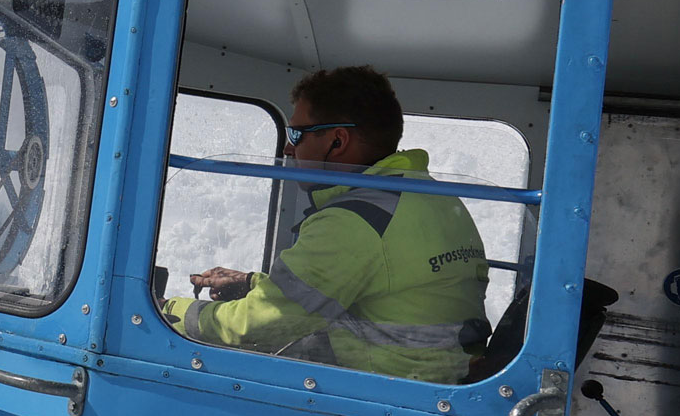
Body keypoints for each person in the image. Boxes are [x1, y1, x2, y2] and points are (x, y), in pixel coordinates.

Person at [162, 65, 489, 384]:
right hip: (439, 378)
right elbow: (372, 293)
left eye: (296, 134)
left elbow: (260, 324)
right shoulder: (432, 198)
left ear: (338, 140)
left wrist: (175, 313)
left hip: (388, 392)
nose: (288, 148)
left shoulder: (355, 219)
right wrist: (252, 283)